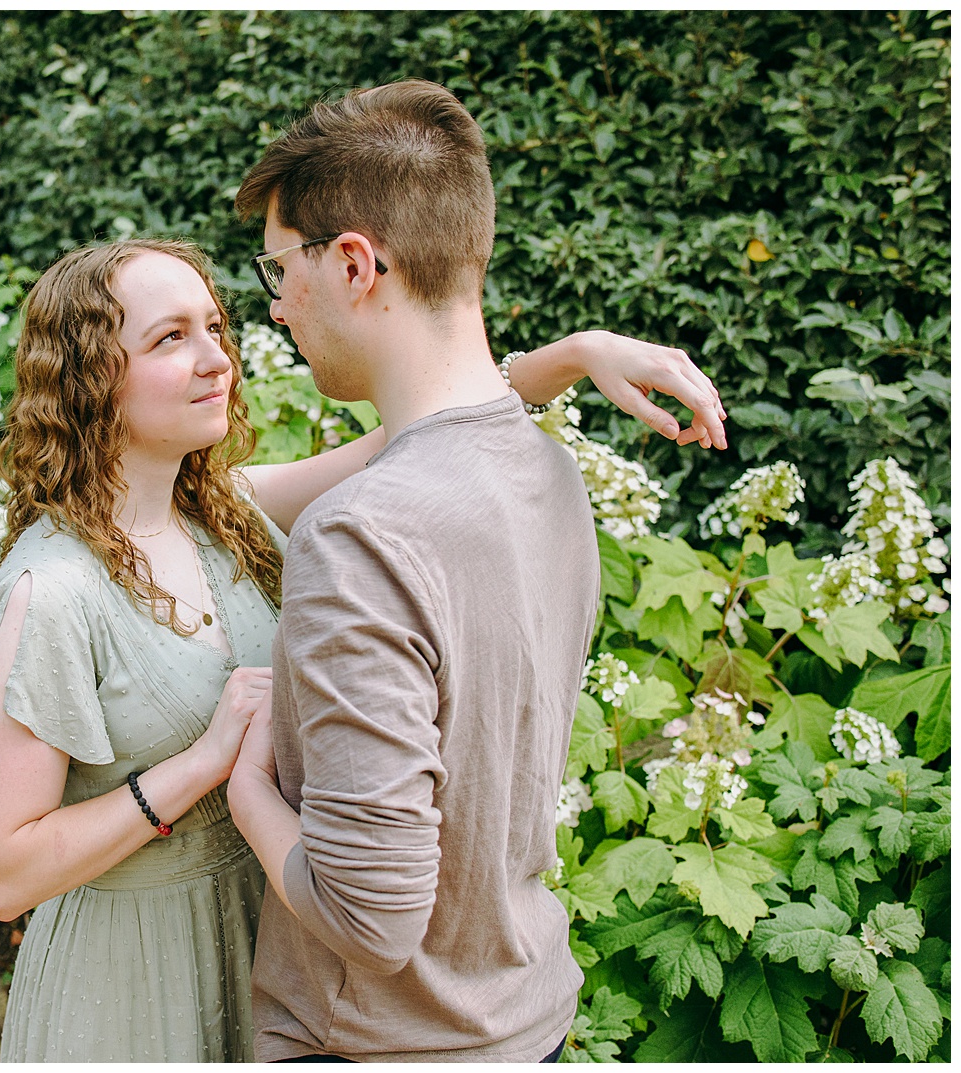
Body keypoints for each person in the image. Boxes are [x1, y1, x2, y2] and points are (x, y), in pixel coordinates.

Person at [0, 234, 724, 1061]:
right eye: (170, 337)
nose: (216, 358)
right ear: (86, 377)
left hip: (271, 949)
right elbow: (4, 873)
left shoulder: (226, 513)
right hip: (135, 981)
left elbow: (414, 431)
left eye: (216, 328)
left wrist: (577, 355)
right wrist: (204, 762)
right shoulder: (53, 589)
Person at [222, 80, 685, 1062]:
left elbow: (370, 915)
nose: (275, 311)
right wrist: (570, 353)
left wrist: (245, 779)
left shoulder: (361, 532)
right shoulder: (547, 471)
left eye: (276, 273)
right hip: (522, 1024)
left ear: (352, 262)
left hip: (376, 1043)